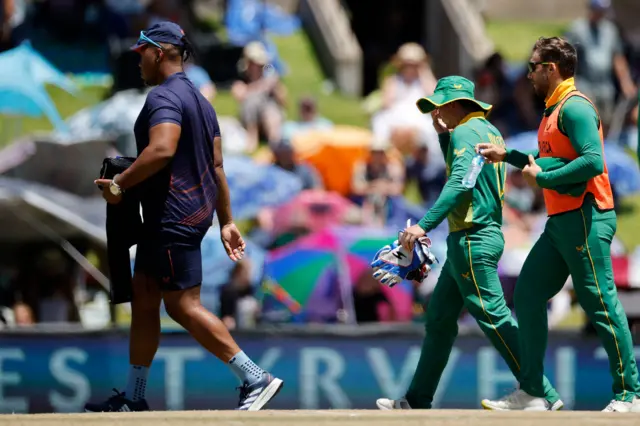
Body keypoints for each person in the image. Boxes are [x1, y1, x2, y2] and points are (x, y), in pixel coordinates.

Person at [88, 22, 283, 412]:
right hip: (185, 214)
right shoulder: (201, 101)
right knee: (145, 295)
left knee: (181, 305)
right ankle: (135, 396)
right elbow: (217, 167)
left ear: (158, 52)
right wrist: (226, 220)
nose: (138, 61)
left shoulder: (163, 97)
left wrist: (120, 184)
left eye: (141, 52)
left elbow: (162, 149)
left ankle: (254, 376)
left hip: (171, 216)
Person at [375, 76, 563, 411]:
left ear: (454, 104)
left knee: (493, 316)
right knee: (440, 318)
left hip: (473, 238)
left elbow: (461, 182)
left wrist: (422, 225)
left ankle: (542, 391)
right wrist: (442, 133)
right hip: (475, 236)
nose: (435, 113)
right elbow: (464, 173)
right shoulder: (487, 131)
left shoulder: (466, 131)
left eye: (438, 106)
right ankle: (416, 400)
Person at [479, 36, 640, 412]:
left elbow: (593, 162)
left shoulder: (575, 108)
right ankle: (534, 390)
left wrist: (544, 180)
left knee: (599, 302)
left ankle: (631, 393)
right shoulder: (553, 111)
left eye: (534, 66)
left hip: (586, 217)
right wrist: (511, 155)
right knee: (528, 295)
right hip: (561, 221)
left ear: (551, 69)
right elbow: (547, 160)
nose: (529, 73)